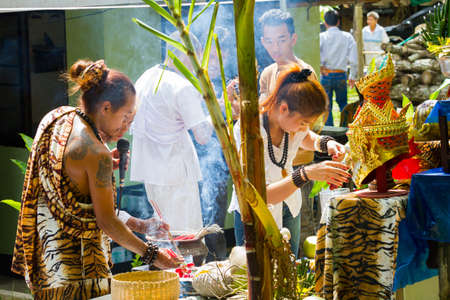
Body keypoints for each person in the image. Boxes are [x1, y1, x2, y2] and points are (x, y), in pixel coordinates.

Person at [11, 59, 182, 299]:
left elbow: (77, 192)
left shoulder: (59, 118)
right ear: (106, 108)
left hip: (47, 269)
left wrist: (139, 224)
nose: (126, 128)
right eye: (126, 118)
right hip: (79, 276)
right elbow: (107, 222)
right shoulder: (96, 153)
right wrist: (152, 254)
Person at [229, 66, 351, 256]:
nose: (303, 128)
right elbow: (260, 196)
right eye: (302, 122)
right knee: (259, 279)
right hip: (255, 214)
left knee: (288, 270)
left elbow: (306, 136)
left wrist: (326, 144)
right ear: (284, 108)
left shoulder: (292, 122)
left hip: (289, 204)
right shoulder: (250, 130)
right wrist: (306, 173)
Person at [246, 8, 318, 256]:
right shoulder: (267, 74)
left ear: (293, 38)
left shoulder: (304, 74)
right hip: (267, 178)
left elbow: (305, 130)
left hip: (296, 171)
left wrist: (322, 144)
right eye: (269, 40)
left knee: (290, 251)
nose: (275, 47)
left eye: (282, 39)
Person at [130, 32, 212, 235]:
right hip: (177, 177)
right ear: (189, 54)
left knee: (162, 235)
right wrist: (219, 115)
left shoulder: (145, 78)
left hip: (152, 174)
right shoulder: (180, 86)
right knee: (185, 238)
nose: (196, 66)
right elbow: (202, 136)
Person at [320, 10, 358, 126]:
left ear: (325, 23)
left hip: (326, 75)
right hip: (341, 74)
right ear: (338, 22)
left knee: (327, 106)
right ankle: (345, 130)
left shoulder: (321, 37)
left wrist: (320, 67)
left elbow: (316, 54)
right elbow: (353, 59)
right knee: (343, 104)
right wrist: (352, 75)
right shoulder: (348, 37)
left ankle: (330, 132)